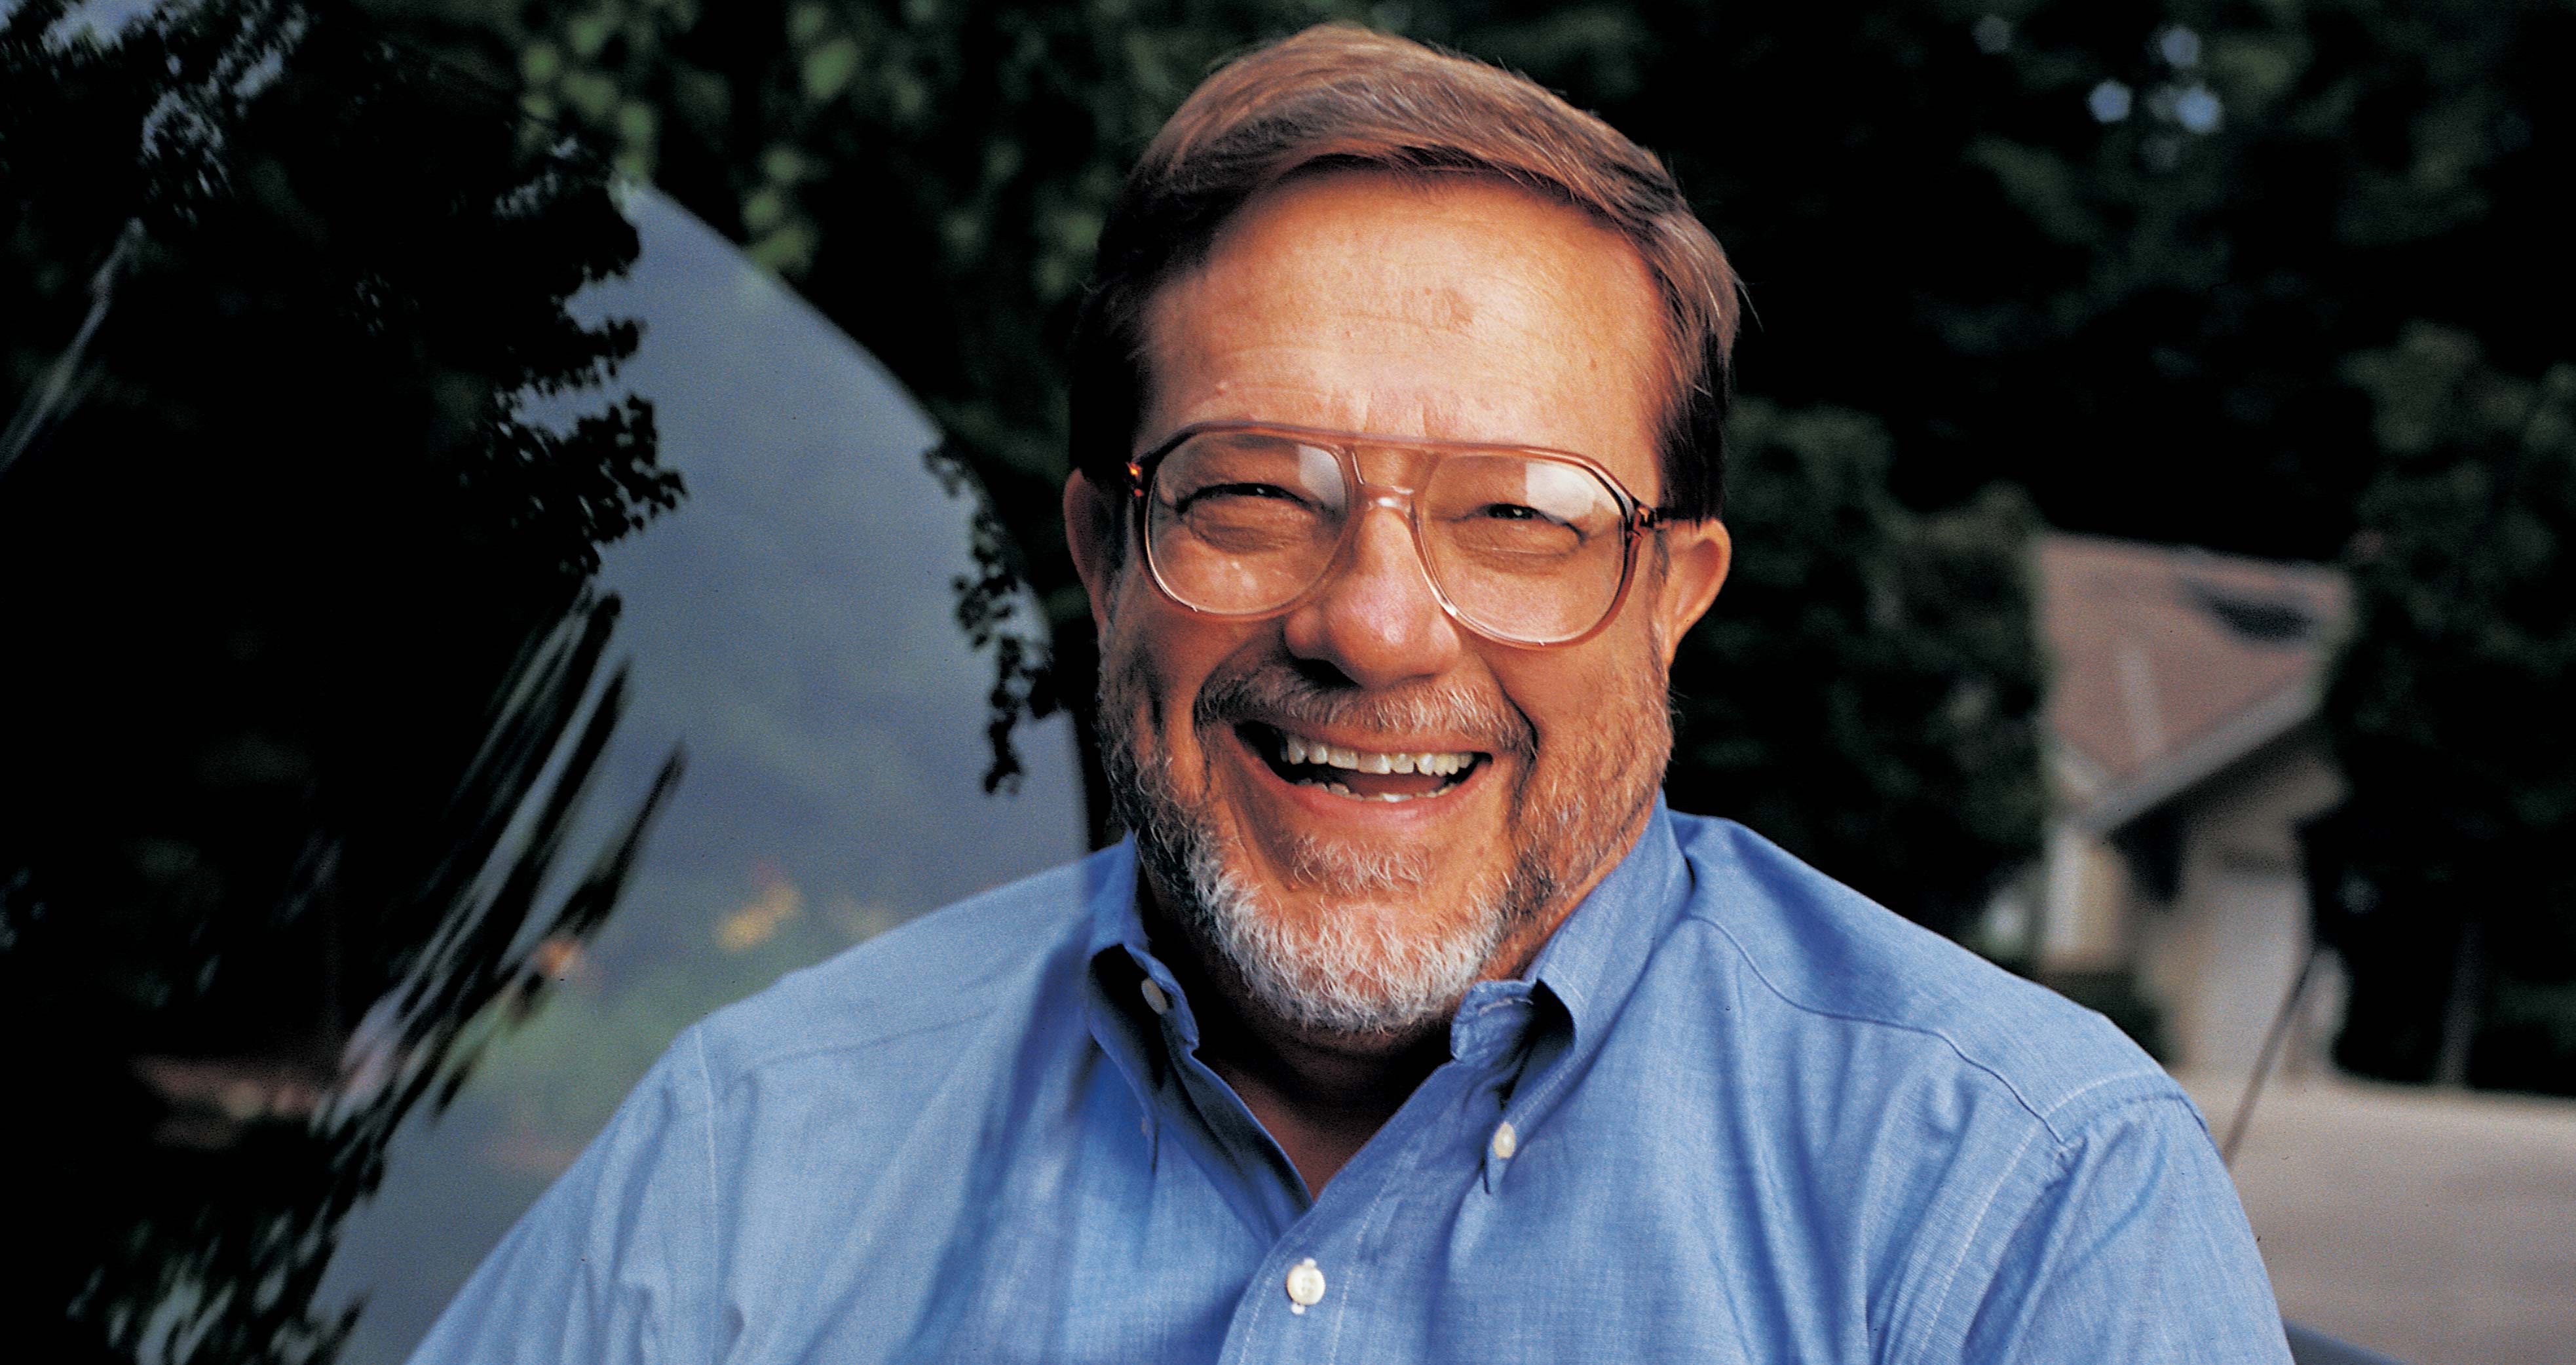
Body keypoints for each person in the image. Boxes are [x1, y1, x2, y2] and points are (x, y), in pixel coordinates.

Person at [413, 24, 2290, 1363]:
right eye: (1249, 493)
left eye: (1522, 516)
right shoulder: (756, 1146)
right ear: (1096, 550)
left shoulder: (2021, 1207)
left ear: (1672, 597)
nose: (1379, 624)